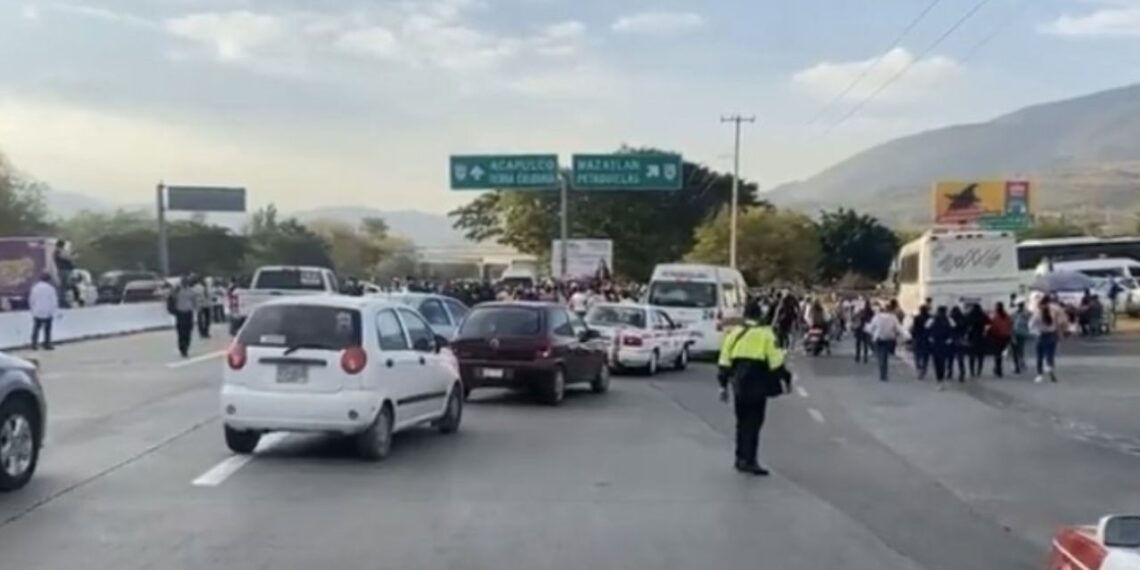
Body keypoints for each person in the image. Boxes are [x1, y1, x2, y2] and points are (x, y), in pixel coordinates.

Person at [717, 302, 791, 476]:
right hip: (758, 385)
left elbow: (724, 362)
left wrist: (722, 386)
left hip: (739, 386)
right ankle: (750, 460)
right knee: (754, 423)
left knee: (741, 423)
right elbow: (776, 362)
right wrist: (787, 380)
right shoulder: (766, 334)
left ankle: (740, 457)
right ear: (759, 316)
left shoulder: (734, 334)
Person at [866, 300, 905, 382]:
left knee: (880, 356)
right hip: (888, 339)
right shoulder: (893, 317)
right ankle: (884, 374)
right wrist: (906, 336)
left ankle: (882, 372)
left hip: (878, 339)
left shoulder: (877, 317)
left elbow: (871, 327)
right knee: (885, 357)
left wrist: (868, 330)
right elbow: (899, 328)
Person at [1031, 295, 1066, 383]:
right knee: (1050, 355)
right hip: (1052, 335)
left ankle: (1039, 375)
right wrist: (1060, 333)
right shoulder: (1055, 309)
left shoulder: (1038, 312)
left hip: (1041, 335)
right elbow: (1060, 322)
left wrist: (1035, 332)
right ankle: (1050, 370)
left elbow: (1031, 325)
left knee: (1040, 356)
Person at [168, 276, 199, 358]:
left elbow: (194, 301)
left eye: (186, 282)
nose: (185, 283)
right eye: (183, 282)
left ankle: (186, 346)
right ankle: (182, 348)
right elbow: (171, 298)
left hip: (188, 313)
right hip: (180, 313)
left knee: (188, 331)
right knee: (181, 332)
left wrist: (196, 308)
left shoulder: (191, 291)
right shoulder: (177, 290)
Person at [28, 273, 59, 350]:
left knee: (36, 328)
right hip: (47, 311)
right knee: (47, 329)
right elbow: (54, 301)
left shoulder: (35, 288)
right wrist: (53, 310)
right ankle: (47, 344)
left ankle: (34, 344)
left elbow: (31, 299)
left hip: (37, 311)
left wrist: (32, 309)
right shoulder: (51, 288)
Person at [927, 306, 955, 388]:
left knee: (936, 361)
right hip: (945, 343)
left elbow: (926, 329)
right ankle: (941, 378)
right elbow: (953, 330)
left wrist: (930, 338)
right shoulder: (949, 320)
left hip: (935, 343)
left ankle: (939, 378)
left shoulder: (932, 319)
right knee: (943, 361)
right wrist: (949, 340)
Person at [964, 303, 990, 378]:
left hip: (972, 338)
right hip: (981, 337)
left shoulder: (970, 315)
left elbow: (966, 324)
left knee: (972, 356)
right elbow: (989, 322)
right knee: (980, 356)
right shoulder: (982, 315)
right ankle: (979, 371)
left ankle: (972, 371)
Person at [988, 302, 1013, 378]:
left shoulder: (996, 317)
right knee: (1000, 353)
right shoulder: (1007, 316)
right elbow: (1010, 325)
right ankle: (998, 369)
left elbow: (993, 327)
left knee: (997, 354)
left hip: (997, 337)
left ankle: (998, 369)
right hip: (1005, 337)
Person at [910, 304, 931, 379]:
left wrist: (913, 336)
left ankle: (919, 367)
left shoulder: (917, 318)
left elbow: (914, 328)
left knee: (917, 354)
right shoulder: (930, 318)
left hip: (918, 338)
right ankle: (924, 369)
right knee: (925, 356)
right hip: (927, 339)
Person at [1009, 301, 1031, 375]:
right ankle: (1021, 362)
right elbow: (1028, 322)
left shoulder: (1014, 314)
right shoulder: (1026, 314)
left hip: (1015, 333)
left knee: (1014, 350)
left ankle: (1017, 366)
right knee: (1020, 348)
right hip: (1022, 333)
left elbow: (1011, 323)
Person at [948, 306, 968, 383]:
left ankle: (950, 372)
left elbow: (949, 329)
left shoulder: (951, 319)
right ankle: (962, 373)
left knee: (950, 357)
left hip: (952, 340)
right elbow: (965, 329)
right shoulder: (963, 319)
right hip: (960, 339)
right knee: (960, 358)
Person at [851, 299, 874, 364]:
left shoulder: (860, 311)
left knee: (858, 343)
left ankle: (857, 356)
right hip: (866, 329)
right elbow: (873, 320)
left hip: (859, 328)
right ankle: (865, 357)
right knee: (865, 344)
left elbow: (854, 318)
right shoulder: (871, 312)